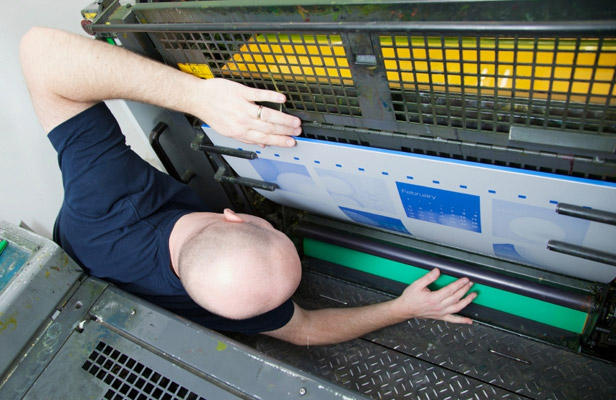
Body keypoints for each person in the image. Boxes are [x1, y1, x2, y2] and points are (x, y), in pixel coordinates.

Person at [20, 27, 477, 346]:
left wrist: (198, 96)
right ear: (234, 213)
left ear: (233, 216)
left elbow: (40, 53)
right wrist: (401, 309)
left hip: (86, 250)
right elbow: (305, 330)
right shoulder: (226, 297)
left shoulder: (103, 198)